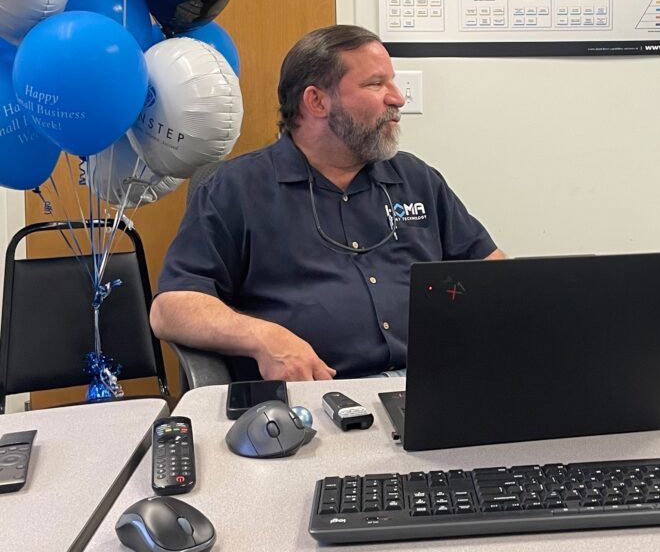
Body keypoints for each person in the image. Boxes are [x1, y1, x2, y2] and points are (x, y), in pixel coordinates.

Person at [151, 25, 503, 380]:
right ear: (317, 101)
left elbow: (495, 275)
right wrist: (262, 337)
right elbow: (171, 308)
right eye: (376, 84)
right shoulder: (236, 189)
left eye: (392, 82)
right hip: (319, 399)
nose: (397, 98)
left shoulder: (415, 179)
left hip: (432, 386)